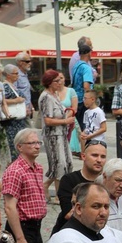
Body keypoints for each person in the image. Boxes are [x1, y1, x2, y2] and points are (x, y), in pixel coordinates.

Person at [51, 141, 107, 235]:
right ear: (83, 156)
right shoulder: (69, 180)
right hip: (70, 234)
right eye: (94, 155)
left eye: (103, 157)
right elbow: (69, 214)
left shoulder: (105, 182)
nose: (99, 160)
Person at [38, 70, 74, 203]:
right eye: (57, 81)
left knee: (67, 163)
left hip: (61, 134)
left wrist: (67, 120)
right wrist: (65, 121)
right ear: (49, 83)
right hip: (52, 136)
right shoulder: (46, 97)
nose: (60, 83)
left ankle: (45, 185)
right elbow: (48, 120)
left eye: (60, 80)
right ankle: (59, 196)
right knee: (59, 165)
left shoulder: (55, 95)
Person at [2, 65, 29, 160]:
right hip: (12, 121)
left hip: (19, 121)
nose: (18, 75)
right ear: (8, 75)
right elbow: (2, 101)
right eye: (16, 73)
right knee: (15, 145)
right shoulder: (5, 86)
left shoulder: (13, 86)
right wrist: (16, 101)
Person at [70, 46, 94, 128]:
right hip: (83, 101)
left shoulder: (76, 65)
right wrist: (90, 100)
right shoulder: (86, 68)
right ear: (89, 53)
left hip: (75, 99)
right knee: (85, 126)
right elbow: (86, 86)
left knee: (78, 126)